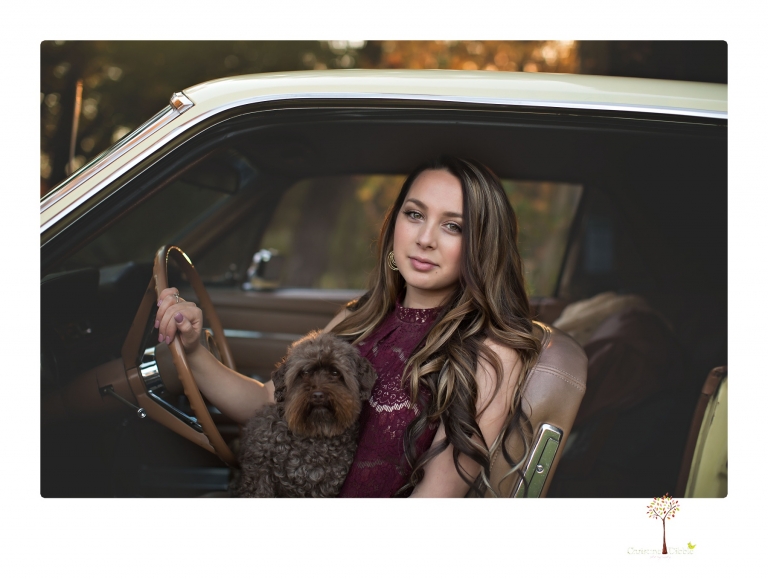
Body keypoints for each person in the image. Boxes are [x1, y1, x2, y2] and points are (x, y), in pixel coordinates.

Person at [155, 156, 540, 497]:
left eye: (453, 226)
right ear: (395, 223)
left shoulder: (489, 353)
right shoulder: (360, 316)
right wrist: (192, 349)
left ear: (482, 245)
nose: (425, 239)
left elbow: (434, 501)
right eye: (415, 214)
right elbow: (266, 403)